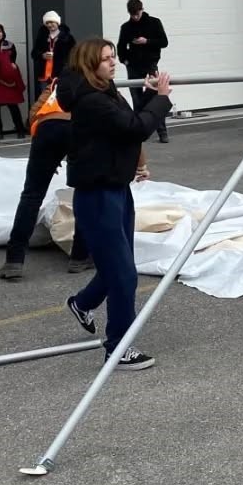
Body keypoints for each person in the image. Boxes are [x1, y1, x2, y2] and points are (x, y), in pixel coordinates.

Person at [58, 38, 170, 370]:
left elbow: (127, 129)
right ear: (90, 64)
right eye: (106, 58)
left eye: (114, 57)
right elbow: (137, 127)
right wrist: (162, 99)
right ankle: (118, 348)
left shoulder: (107, 92)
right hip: (98, 196)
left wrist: (149, 95)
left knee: (117, 266)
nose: (114, 63)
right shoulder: (91, 100)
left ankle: (82, 303)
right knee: (123, 275)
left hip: (117, 189)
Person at [0, 81, 91, 280]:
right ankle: (79, 257)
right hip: (79, 129)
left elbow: (33, 114)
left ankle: (14, 260)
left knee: (31, 195)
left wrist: (46, 152)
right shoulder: (98, 82)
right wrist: (139, 164)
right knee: (84, 192)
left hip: (46, 129)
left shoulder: (57, 83)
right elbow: (122, 123)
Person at [117, 0, 170, 144]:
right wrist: (125, 61)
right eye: (132, 14)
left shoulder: (154, 22)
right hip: (133, 66)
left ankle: (162, 132)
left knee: (156, 96)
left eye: (137, 14)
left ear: (142, 10)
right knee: (136, 98)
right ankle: (138, 131)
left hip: (151, 64)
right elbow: (121, 46)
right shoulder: (126, 27)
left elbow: (164, 42)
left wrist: (146, 41)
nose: (135, 17)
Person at [35, 11, 75, 90]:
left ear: (57, 22)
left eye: (51, 22)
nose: (49, 25)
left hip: (61, 74)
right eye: (47, 23)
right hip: (45, 76)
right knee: (45, 96)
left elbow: (73, 55)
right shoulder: (42, 37)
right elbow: (34, 53)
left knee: (60, 95)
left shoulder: (68, 38)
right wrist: (42, 55)